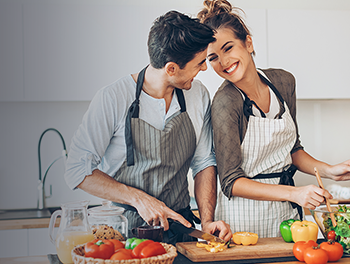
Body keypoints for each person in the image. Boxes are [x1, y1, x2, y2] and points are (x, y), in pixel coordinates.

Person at [64, 10, 232, 244]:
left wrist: (206, 222)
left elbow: (204, 163)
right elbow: (77, 170)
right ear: (171, 68)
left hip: (180, 232)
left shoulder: (198, 95)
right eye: (199, 63)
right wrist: (140, 199)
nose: (204, 69)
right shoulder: (113, 98)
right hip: (124, 234)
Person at [197, 0, 350, 238]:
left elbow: (293, 150)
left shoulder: (283, 82)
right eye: (213, 57)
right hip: (243, 220)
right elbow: (230, 181)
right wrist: (295, 194)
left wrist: (329, 171)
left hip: (287, 216)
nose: (223, 62)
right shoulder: (226, 102)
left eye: (228, 48)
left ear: (248, 42)